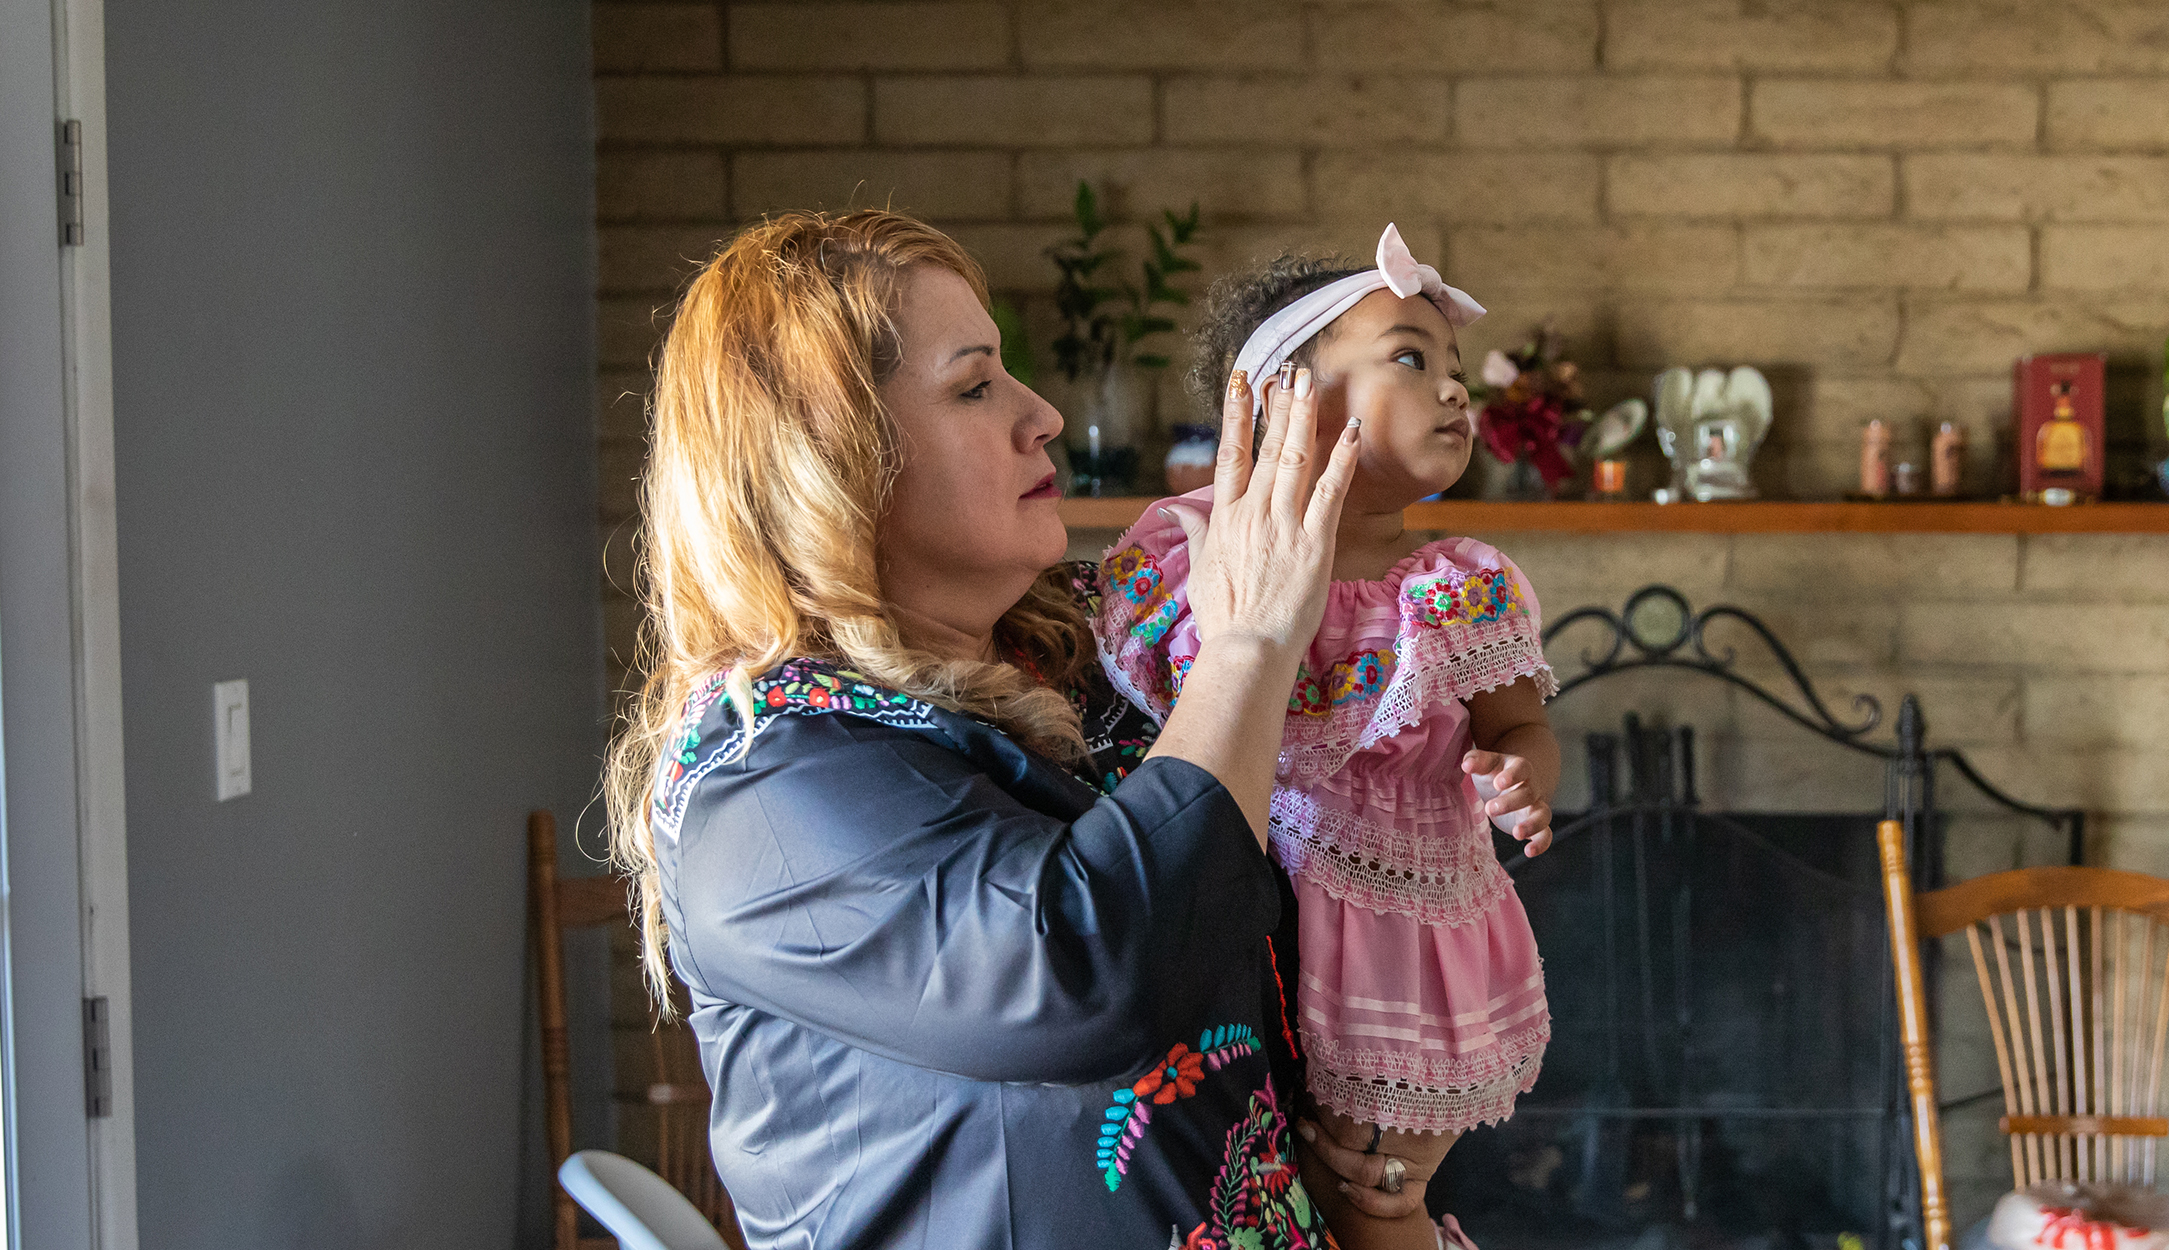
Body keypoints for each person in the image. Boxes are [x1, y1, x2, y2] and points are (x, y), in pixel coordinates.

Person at [601, 210, 1421, 1249]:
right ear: (831, 454)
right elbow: (1083, 966)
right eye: (975, 383)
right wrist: (1250, 643)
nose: (1040, 414)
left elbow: (1270, 869)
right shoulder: (765, 778)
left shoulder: (1084, 658)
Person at [1092, 225, 1561, 1249]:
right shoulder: (1192, 548)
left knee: (1369, 1190)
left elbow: (1519, 715)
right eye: (1409, 356)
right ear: (1281, 401)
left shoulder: (1456, 584)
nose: (1452, 390)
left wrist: (1521, 772)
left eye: (1451, 366)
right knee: (1286, 1188)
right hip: (1249, 923)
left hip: (1399, 932)